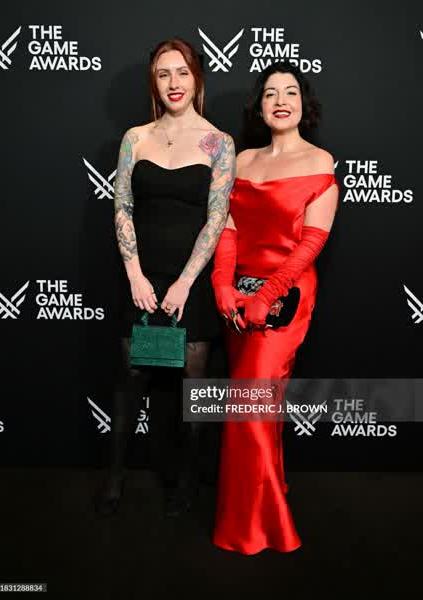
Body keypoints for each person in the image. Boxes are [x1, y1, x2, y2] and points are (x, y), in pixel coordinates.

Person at [94, 38, 235, 518]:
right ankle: (115, 477)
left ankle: (187, 483)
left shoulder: (219, 143)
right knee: (131, 378)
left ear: (197, 77)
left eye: (182, 72)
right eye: (163, 73)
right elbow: (122, 207)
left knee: (194, 386)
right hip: (141, 277)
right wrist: (135, 275)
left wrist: (185, 283)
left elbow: (216, 218)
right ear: (153, 82)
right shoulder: (135, 138)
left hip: (190, 282)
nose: (174, 83)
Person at [211, 60, 339, 554]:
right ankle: (261, 502)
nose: (280, 101)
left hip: (286, 296)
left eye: (290, 92)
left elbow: (311, 244)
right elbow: (227, 228)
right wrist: (223, 283)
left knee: (249, 406)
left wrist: (268, 295)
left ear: (304, 104)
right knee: (257, 408)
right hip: (239, 297)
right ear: (259, 106)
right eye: (270, 93)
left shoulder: (320, 161)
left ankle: (260, 527)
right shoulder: (242, 161)